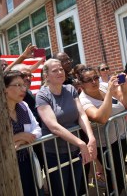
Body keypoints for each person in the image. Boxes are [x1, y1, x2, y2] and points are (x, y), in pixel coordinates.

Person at [36, 59, 97, 196]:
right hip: (55, 153)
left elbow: (81, 115)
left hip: (75, 150)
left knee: (74, 189)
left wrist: (91, 138)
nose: (60, 72)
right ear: (46, 76)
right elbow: (54, 127)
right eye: (55, 70)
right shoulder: (42, 95)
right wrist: (81, 143)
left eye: (61, 69)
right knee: (60, 191)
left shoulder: (70, 89)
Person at [78, 67, 127, 194]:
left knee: (119, 172)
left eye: (95, 77)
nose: (94, 82)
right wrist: (109, 92)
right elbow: (100, 118)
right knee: (113, 175)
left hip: (121, 136)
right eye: (88, 80)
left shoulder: (103, 86)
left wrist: (124, 87)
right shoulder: (83, 100)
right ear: (81, 84)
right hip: (106, 144)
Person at [3, 70, 42, 196]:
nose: (23, 89)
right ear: (5, 89)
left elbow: (38, 130)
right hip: (6, 165)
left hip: (26, 161)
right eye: (18, 85)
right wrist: (18, 137)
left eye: (23, 85)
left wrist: (21, 140)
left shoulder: (23, 106)